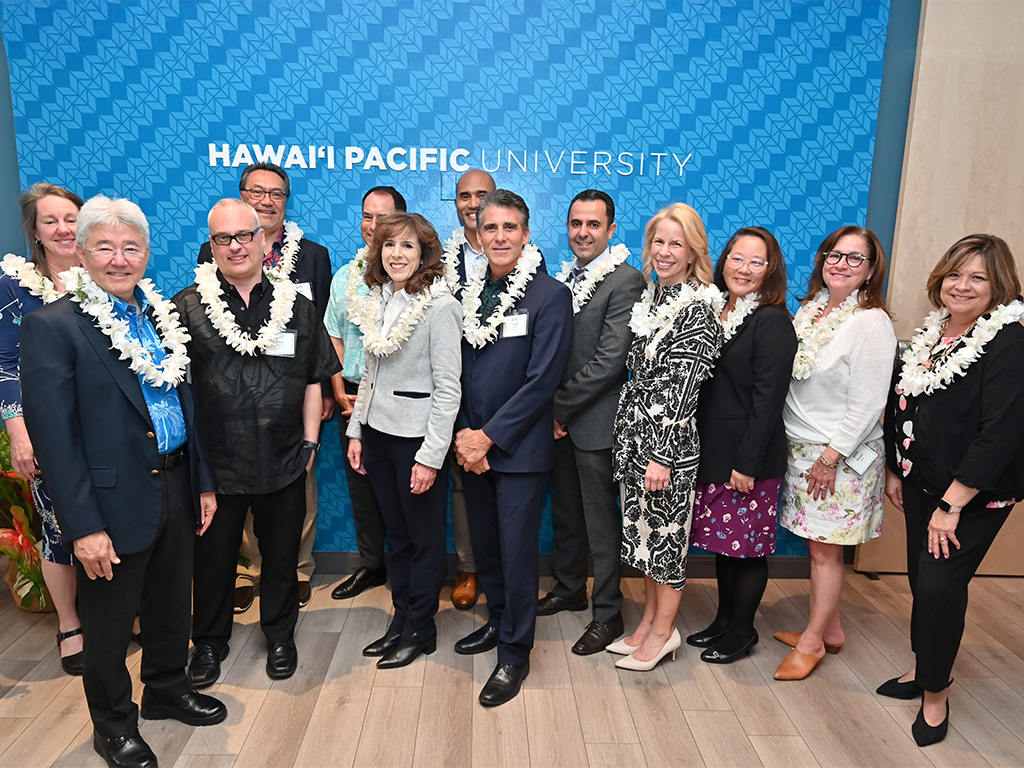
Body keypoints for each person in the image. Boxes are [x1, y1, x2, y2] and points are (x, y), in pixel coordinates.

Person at [21, 195, 226, 768]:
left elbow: (189, 407)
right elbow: (55, 441)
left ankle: (166, 687)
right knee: (108, 624)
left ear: (147, 253)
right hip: (108, 501)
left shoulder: (164, 318)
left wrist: (203, 483)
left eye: (131, 247)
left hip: (176, 482)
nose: (119, 259)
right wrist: (82, 526)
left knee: (169, 604)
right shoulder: (52, 326)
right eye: (105, 247)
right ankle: (112, 724)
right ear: (80, 253)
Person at [177, 199, 340, 687]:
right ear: (212, 246)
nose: (235, 246)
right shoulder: (187, 307)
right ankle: (208, 643)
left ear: (265, 240)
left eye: (244, 235)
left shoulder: (299, 308)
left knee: (282, 556)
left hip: (285, 457)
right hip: (216, 464)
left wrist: (310, 444)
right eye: (223, 238)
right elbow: (177, 387)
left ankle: (281, 635)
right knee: (213, 561)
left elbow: (314, 379)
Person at [879, 234, 1024, 747]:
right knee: (923, 581)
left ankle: (935, 693)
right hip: (923, 481)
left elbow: (1001, 432)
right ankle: (924, 669)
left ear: (998, 286)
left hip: (973, 496)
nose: (961, 285)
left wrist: (950, 504)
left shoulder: (1009, 341)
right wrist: (897, 469)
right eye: (955, 274)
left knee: (939, 587)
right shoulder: (933, 331)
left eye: (977, 277)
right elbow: (904, 406)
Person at [453, 189, 573, 706]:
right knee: (486, 548)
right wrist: (465, 438)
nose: (499, 237)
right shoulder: (468, 294)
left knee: (518, 553)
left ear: (526, 235)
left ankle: (514, 655)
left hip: (516, 451)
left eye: (510, 228)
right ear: (477, 236)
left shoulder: (550, 295)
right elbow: (454, 371)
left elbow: (542, 381)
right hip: (471, 450)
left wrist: (489, 437)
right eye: (490, 228)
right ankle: (498, 622)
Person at [199, 162, 333, 612]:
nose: (267, 199)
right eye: (257, 191)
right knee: (227, 521)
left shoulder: (313, 256)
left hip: (291, 408)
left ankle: (293, 575)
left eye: (277, 193)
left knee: (296, 500)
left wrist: (320, 403)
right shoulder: (205, 264)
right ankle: (243, 574)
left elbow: (319, 335)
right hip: (227, 426)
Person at [773, 226, 896, 681]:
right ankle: (833, 630)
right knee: (817, 546)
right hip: (800, 448)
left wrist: (830, 457)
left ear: (870, 270)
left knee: (826, 553)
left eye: (854, 258)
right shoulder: (809, 310)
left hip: (837, 457)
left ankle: (812, 643)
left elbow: (868, 404)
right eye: (834, 254)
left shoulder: (871, 323)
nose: (841, 264)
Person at [609, 203, 723, 671]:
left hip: (667, 450)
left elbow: (682, 393)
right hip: (635, 438)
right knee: (643, 541)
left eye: (677, 243)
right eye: (659, 241)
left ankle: (663, 634)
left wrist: (660, 456)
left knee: (667, 546)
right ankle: (648, 623)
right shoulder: (653, 297)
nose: (665, 251)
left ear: (694, 250)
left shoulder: (699, 308)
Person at [345, 212, 462, 668]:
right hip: (377, 435)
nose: (397, 254)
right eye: (390, 245)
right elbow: (371, 372)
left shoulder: (441, 307)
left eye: (408, 246)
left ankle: (422, 628)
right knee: (396, 538)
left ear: (424, 253)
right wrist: (356, 430)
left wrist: (431, 456)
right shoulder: (377, 300)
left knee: (423, 540)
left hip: (416, 442)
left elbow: (449, 387)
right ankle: (401, 617)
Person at [537, 189, 645, 655]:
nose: (583, 232)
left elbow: (610, 361)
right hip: (560, 422)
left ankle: (608, 613)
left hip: (595, 422)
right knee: (565, 513)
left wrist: (558, 409)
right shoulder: (565, 278)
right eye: (576, 223)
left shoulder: (626, 281)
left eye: (593, 224)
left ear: (611, 230)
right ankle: (567, 587)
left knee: (602, 524)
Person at [687, 227, 796, 663]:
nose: (744, 269)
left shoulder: (771, 321)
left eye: (756, 261)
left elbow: (768, 402)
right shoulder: (718, 310)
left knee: (746, 548)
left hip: (748, 457)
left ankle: (743, 630)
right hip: (714, 451)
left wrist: (747, 463)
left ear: (770, 271)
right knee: (723, 544)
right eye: (737, 258)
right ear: (723, 261)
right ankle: (723, 620)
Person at [1, 183, 84, 675]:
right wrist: (18, 432)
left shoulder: (107, 274)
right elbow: (5, 363)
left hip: (104, 426)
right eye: (50, 221)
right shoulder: (14, 287)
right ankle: (70, 623)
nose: (63, 229)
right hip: (46, 429)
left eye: (70, 218)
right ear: (35, 230)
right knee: (57, 528)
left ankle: (127, 612)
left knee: (115, 521)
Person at [327, 186, 405, 600]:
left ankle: (408, 571)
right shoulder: (344, 277)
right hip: (354, 398)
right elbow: (334, 338)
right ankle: (372, 565)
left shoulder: (416, 277)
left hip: (402, 400)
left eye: (383, 218)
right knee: (362, 488)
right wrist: (339, 390)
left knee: (406, 488)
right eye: (366, 217)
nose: (373, 226)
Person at [437, 168, 497, 609]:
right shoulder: (440, 259)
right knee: (462, 482)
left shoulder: (525, 254)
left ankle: (504, 570)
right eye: (464, 196)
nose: (472, 203)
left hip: (507, 397)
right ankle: (469, 568)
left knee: (510, 483)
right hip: (455, 390)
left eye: (482, 195)